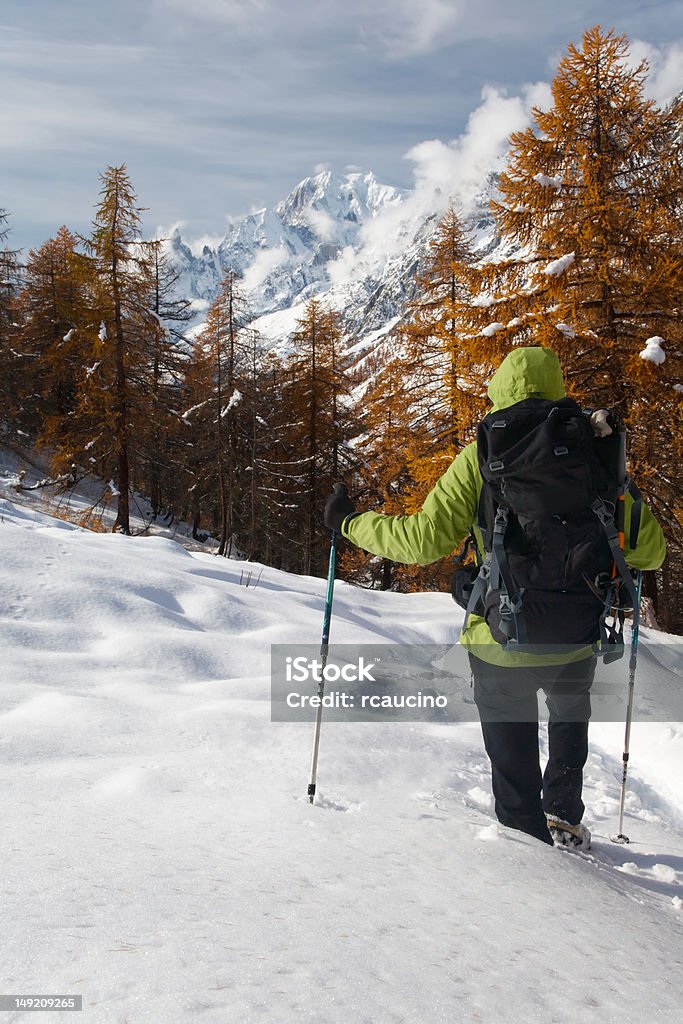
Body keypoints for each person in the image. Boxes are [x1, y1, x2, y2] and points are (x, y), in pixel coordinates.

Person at [324, 347, 666, 848]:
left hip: (499, 636)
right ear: (557, 385)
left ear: (499, 390)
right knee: (570, 716)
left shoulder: (484, 453)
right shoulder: (595, 452)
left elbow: (422, 540)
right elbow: (651, 552)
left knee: (512, 756)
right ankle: (565, 814)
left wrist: (349, 522)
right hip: (576, 633)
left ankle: (526, 846)